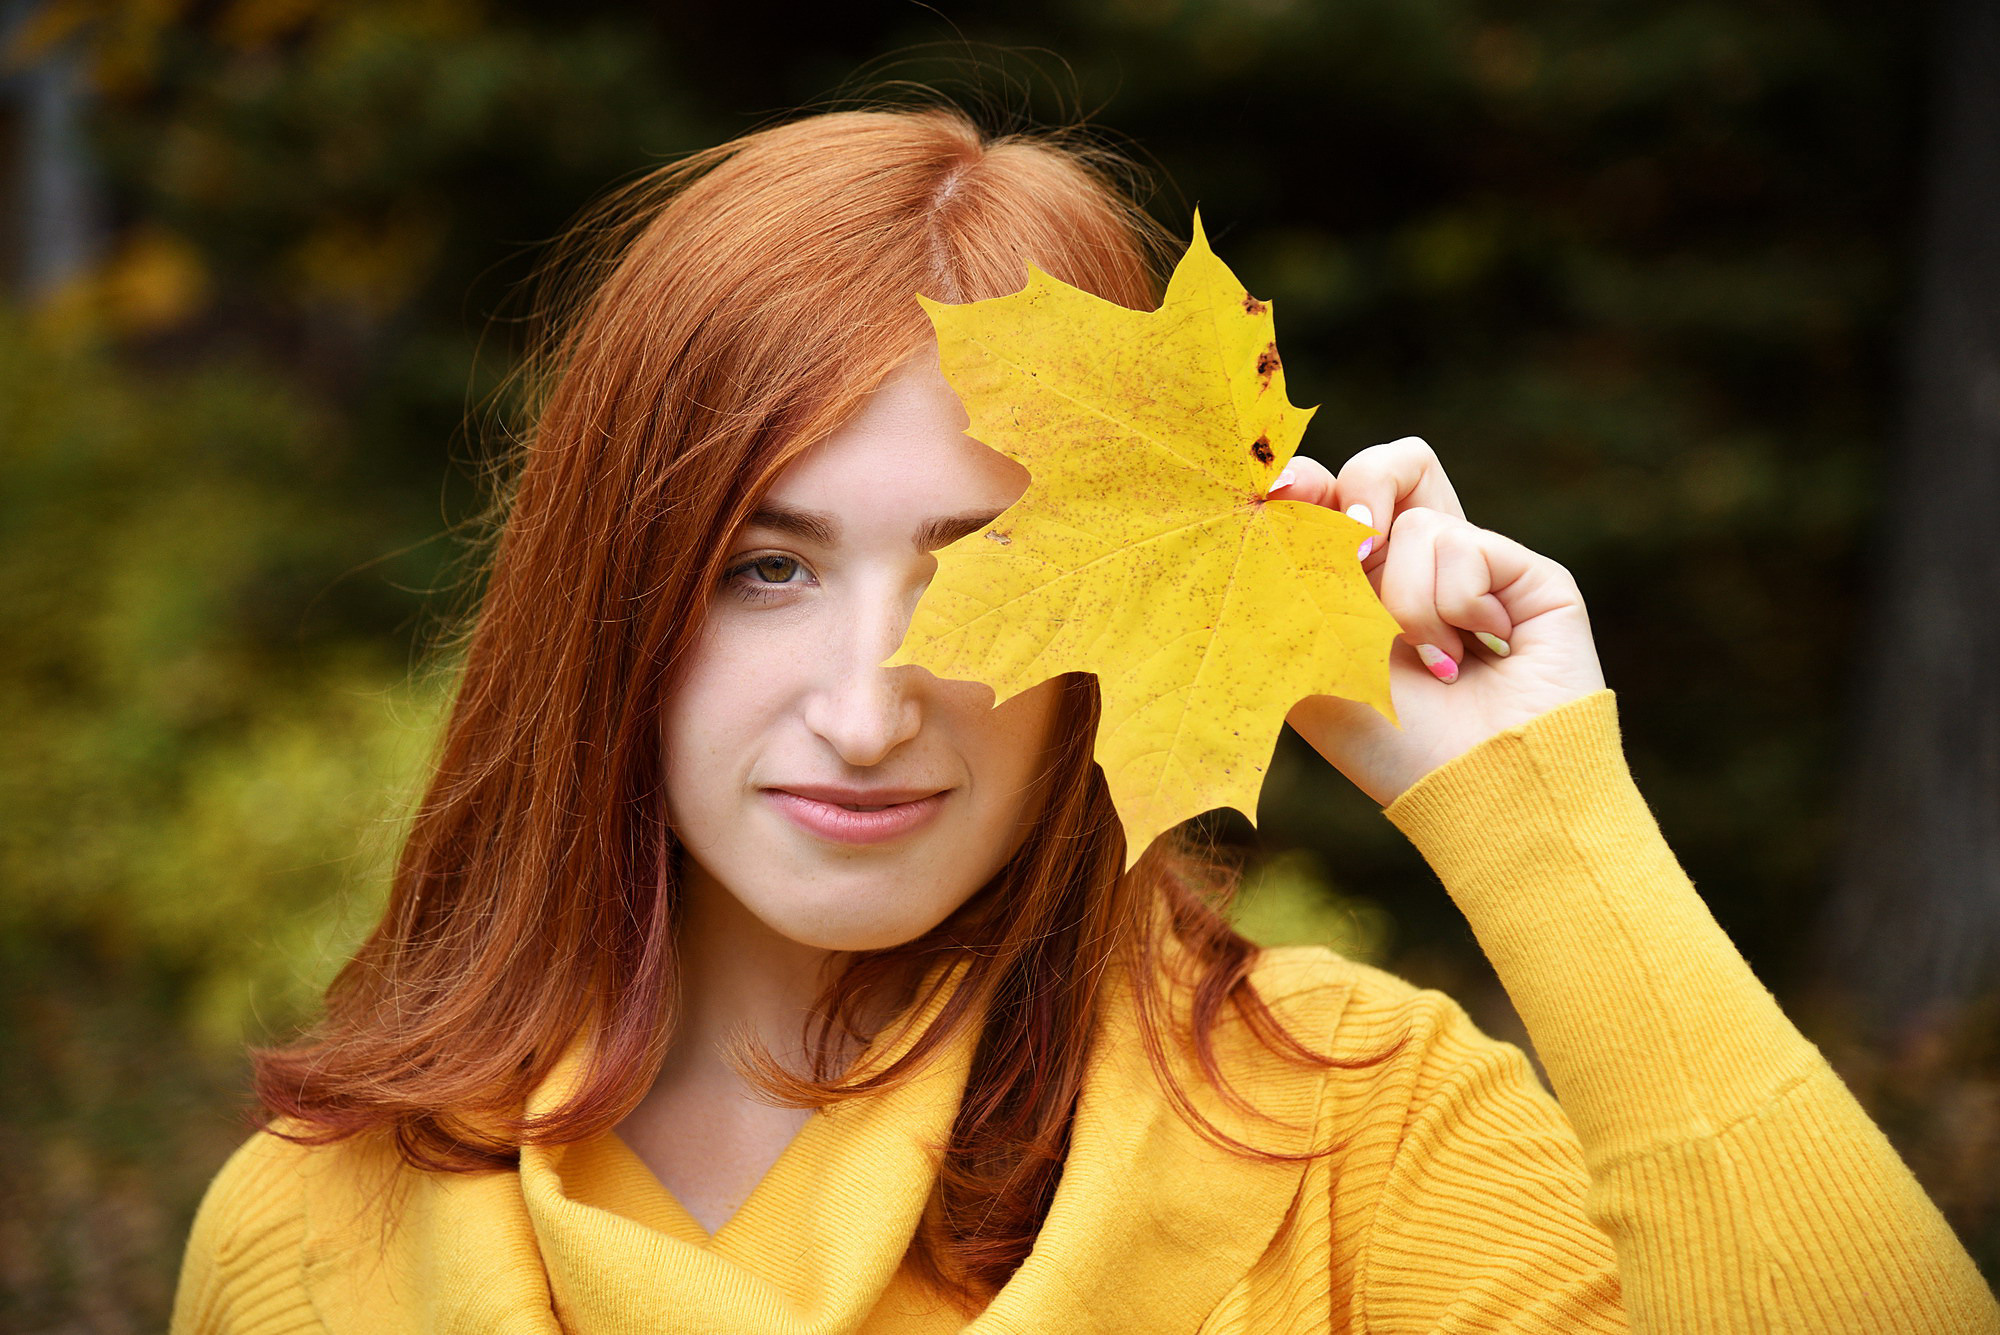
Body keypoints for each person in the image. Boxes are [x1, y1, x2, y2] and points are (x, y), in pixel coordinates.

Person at [170, 105, 1996, 1335]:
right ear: (607, 603)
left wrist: (1539, 812)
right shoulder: (319, 1238)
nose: (874, 707)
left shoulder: (1362, 1138)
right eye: (763, 566)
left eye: (988, 570)